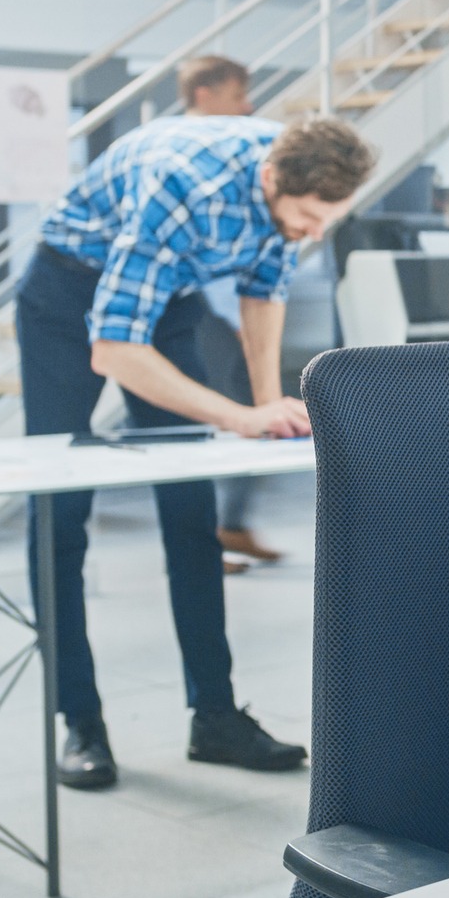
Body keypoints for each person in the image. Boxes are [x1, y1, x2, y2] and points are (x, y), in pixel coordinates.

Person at [18, 113, 374, 789]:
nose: (316, 232)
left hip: (167, 298)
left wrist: (270, 407)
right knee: (60, 516)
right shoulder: (183, 184)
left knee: (192, 512)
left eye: (329, 219)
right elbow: (115, 346)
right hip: (66, 298)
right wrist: (239, 415)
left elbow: (262, 293)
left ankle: (213, 715)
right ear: (271, 180)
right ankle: (81, 722)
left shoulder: (296, 176)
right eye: (307, 216)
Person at [175, 55, 284, 572]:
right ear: (204, 94)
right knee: (232, 415)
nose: (249, 106)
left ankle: (231, 526)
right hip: (202, 313)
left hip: (229, 312)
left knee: (261, 410)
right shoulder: (186, 162)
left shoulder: (251, 156)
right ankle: (208, 537)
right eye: (238, 94)